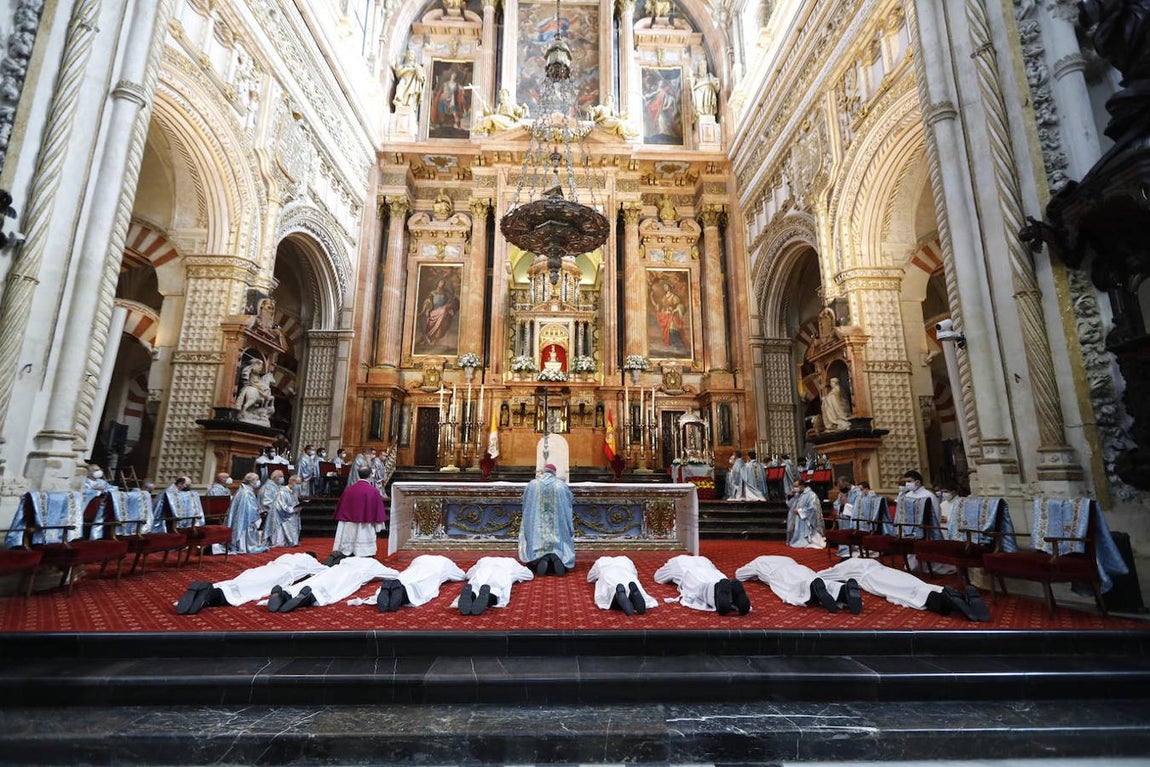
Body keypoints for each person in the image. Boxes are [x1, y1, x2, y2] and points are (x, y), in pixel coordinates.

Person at [816, 556, 989, 622]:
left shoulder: (844, 566)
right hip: (888, 571)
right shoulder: (865, 559)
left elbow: (822, 575)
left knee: (906, 593)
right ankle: (957, 596)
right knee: (916, 584)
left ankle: (946, 601)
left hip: (876, 579)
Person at [175, 551, 326, 615]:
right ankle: (210, 594)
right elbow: (324, 570)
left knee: (239, 583)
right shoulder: (309, 560)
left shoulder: (287, 555)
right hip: (279, 575)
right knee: (247, 590)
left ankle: (208, 592)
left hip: (262, 569)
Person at [736, 555, 862, 615]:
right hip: (801, 568)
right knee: (818, 581)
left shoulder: (759, 561)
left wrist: (756, 574)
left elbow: (739, 575)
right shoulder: (787, 558)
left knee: (796, 588)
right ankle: (843, 590)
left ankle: (813, 589)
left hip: (779, 574)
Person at [271, 555, 400, 613]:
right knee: (330, 589)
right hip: (350, 576)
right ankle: (306, 598)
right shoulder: (373, 564)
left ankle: (285, 594)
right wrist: (375, 577)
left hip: (333, 571)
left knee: (314, 581)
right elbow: (393, 574)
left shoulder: (349, 559)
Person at [518, 463, 575, 576]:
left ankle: (539, 558)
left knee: (535, 538)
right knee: (560, 539)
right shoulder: (561, 485)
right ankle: (557, 555)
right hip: (557, 532)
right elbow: (568, 504)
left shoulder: (533, 484)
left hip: (537, 531)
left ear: (543, 471)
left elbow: (526, 503)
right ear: (554, 473)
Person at [654, 554, 751, 615]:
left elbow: (658, 577)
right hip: (712, 572)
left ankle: (716, 593)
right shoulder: (704, 559)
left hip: (690, 572)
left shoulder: (675, 562)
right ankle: (731, 593)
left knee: (699, 586)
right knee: (718, 579)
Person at [366, 554, 467, 613]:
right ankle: (403, 593)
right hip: (434, 570)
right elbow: (461, 575)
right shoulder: (447, 562)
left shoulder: (420, 557)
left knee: (406, 576)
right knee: (424, 586)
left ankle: (393, 587)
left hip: (417, 563)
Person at [332, 466, 389, 557]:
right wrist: (378, 525)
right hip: (365, 525)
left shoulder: (349, 490)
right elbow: (377, 510)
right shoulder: (373, 491)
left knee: (347, 547)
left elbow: (342, 507)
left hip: (349, 524)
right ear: (370, 475)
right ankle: (364, 553)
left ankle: (348, 552)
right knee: (364, 549)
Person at [451, 556, 534, 616]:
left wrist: (472, 575)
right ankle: (488, 598)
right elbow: (529, 575)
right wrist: (515, 577)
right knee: (496, 590)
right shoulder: (512, 562)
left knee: (474, 586)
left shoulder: (483, 560)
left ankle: (472, 594)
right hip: (501, 573)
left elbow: (468, 574)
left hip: (482, 573)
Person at [587, 555, 658, 616]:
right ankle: (632, 595)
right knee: (632, 583)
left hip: (608, 573)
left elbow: (590, 578)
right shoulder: (626, 559)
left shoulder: (601, 561)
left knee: (610, 591)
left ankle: (618, 596)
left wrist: (597, 578)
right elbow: (635, 574)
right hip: (627, 575)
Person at [226, 473, 267, 554]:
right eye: (257, 480)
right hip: (245, 521)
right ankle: (244, 546)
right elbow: (250, 509)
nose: (258, 482)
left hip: (241, 518)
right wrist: (257, 516)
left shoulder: (242, 490)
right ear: (251, 481)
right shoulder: (247, 493)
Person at [785, 477, 825, 549]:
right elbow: (790, 505)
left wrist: (800, 511)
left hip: (805, 519)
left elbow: (813, 508)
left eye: (796, 486)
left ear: (802, 485)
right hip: (797, 519)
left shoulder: (811, 495)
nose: (795, 488)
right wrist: (790, 496)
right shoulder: (797, 495)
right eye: (794, 486)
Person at [265, 474, 303, 548]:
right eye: (298, 483)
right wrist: (293, 509)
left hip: (292, 515)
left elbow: (295, 503)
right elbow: (280, 507)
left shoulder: (293, 492)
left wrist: (299, 507)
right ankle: (287, 541)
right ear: (292, 482)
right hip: (282, 516)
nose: (299, 486)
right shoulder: (282, 492)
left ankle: (293, 541)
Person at [419, 277, 458, 348]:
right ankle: (427, 338)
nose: (442, 284)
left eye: (443, 283)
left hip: (442, 312)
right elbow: (428, 301)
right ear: (438, 283)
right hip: (434, 312)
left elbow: (450, 302)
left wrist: (450, 308)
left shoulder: (446, 294)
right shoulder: (432, 293)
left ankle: (435, 341)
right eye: (441, 282)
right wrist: (427, 309)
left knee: (444, 312)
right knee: (443, 311)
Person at [831, 476, 862, 557]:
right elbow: (836, 503)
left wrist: (846, 504)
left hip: (853, 518)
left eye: (841, 486)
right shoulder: (842, 492)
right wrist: (840, 505)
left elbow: (858, 507)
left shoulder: (857, 493)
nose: (840, 489)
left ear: (847, 483)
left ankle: (854, 549)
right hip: (843, 518)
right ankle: (844, 549)